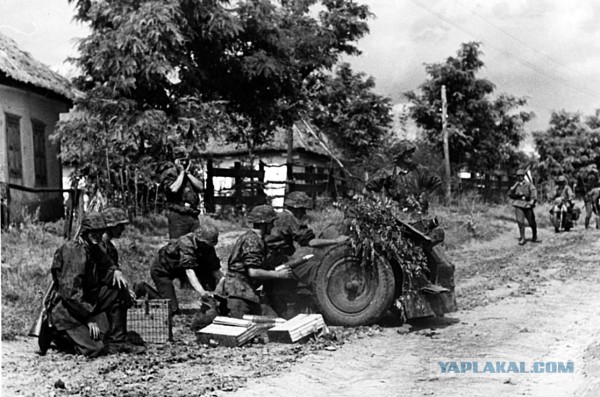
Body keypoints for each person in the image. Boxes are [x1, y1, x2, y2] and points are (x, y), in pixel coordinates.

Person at [41, 212, 142, 357]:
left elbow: (106, 264)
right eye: (93, 232)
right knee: (95, 349)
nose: (97, 235)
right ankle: (57, 334)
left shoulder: (93, 247)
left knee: (118, 288)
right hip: (68, 309)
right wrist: (88, 318)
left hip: (86, 301)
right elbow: (70, 294)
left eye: (100, 232)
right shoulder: (74, 252)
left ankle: (117, 341)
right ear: (85, 232)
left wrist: (115, 271)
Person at [215, 205, 293, 319]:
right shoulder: (252, 240)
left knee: (273, 320)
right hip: (238, 293)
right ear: (264, 223)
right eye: (271, 222)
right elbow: (253, 272)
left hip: (247, 291)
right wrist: (279, 275)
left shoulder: (256, 239)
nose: (272, 226)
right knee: (239, 328)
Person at [149, 224, 223, 314]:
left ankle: (208, 306)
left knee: (208, 275)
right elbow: (189, 271)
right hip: (163, 271)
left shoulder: (207, 246)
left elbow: (215, 269)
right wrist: (202, 292)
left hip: (180, 269)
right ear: (199, 239)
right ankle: (143, 288)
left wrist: (225, 285)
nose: (209, 247)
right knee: (172, 309)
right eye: (206, 244)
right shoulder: (186, 243)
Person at [365, 140, 442, 214]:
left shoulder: (418, 170)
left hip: (418, 214)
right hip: (396, 216)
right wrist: (383, 201)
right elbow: (369, 186)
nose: (411, 154)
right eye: (407, 152)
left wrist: (426, 194)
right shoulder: (388, 172)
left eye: (412, 151)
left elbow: (437, 181)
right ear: (400, 154)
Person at [160, 150, 203, 239]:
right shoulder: (169, 173)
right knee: (178, 245)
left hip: (192, 214)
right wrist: (182, 173)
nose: (183, 162)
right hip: (178, 215)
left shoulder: (192, 172)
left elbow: (201, 186)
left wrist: (188, 174)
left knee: (198, 242)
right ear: (175, 161)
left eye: (185, 160)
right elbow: (173, 189)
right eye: (181, 160)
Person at [507, 169, 539, 245]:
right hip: (518, 203)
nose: (519, 178)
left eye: (521, 176)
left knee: (531, 221)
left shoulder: (528, 184)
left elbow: (534, 191)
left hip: (527, 204)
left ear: (524, 176)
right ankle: (523, 238)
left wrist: (533, 200)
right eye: (518, 176)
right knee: (520, 221)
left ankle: (534, 234)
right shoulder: (515, 185)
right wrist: (514, 187)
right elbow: (509, 194)